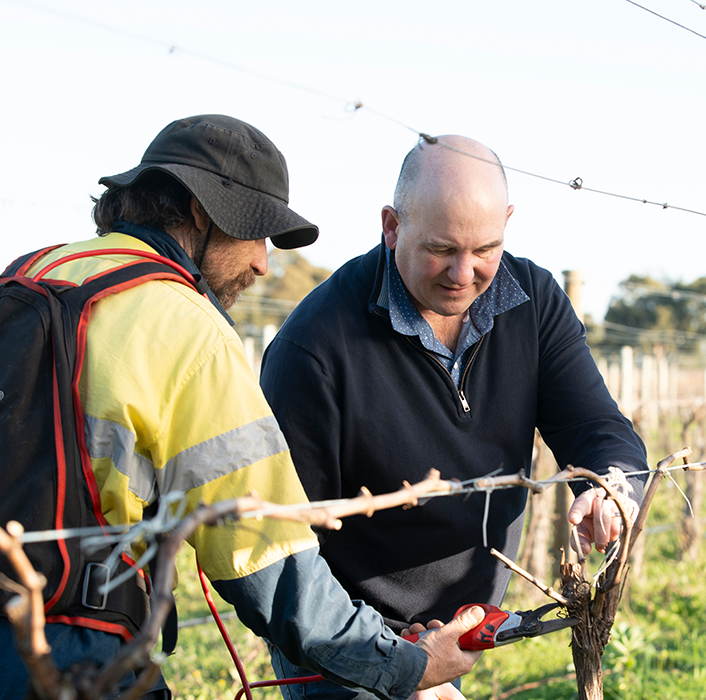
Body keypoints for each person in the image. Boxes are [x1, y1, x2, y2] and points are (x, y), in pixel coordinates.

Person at [0, 115, 482, 700]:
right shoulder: (184, 324)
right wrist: (401, 663)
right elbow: (271, 560)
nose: (262, 262)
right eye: (257, 234)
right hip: (62, 658)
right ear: (200, 212)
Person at [259, 135, 648, 699]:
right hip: (345, 650)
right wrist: (394, 660)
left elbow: (596, 426)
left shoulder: (533, 301)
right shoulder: (315, 348)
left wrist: (612, 486)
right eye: (441, 249)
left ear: (508, 222)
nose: (464, 273)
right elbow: (287, 554)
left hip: (461, 634)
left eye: (485, 248)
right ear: (392, 226)